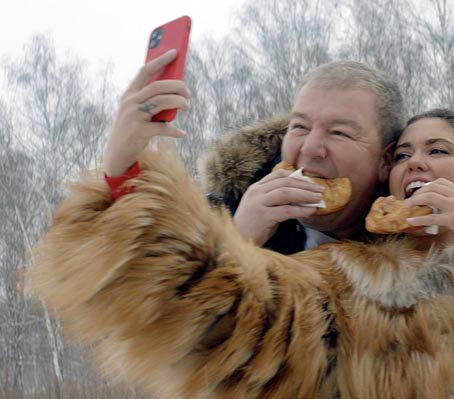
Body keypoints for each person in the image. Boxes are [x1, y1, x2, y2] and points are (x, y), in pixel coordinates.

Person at [28, 97, 454, 397]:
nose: (414, 165)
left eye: (438, 151)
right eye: (401, 155)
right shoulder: (341, 276)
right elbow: (200, 316)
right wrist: (122, 171)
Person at [103, 50, 404, 254]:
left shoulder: (423, 236)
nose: (310, 148)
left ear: (386, 159)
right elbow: (136, 306)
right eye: (299, 127)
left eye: (339, 132)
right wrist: (237, 244)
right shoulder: (215, 217)